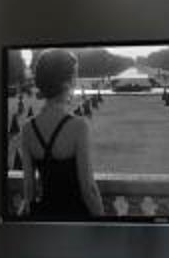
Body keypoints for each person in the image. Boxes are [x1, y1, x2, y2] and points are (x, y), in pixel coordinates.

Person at [12, 48, 105, 219]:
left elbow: (29, 191)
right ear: (65, 84)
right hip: (75, 220)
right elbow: (89, 190)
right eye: (74, 77)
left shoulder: (27, 129)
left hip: (44, 219)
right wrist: (104, 225)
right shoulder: (79, 126)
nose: (75, 82)